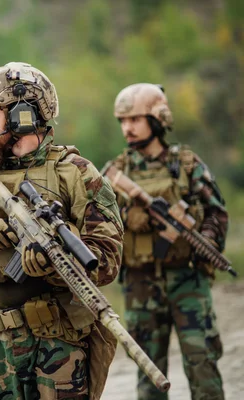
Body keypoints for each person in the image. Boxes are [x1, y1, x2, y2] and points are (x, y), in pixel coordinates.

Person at [0, 62, 124, 399]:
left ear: (21, 114)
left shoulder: (76, 174)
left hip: (59, 346)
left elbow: (107, 262)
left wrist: (55, 258)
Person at [104, 83, 228, 400]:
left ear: (157, 119)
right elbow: (97, 224)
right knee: (149, 375)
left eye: (135, 119)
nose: (127, 128)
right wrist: (127, 216)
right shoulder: (116, 172)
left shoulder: (186, 165)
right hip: (140, 284)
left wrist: (208, 240)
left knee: (203, 365)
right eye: (122, 120)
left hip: (187, 280)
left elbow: (216, 211)